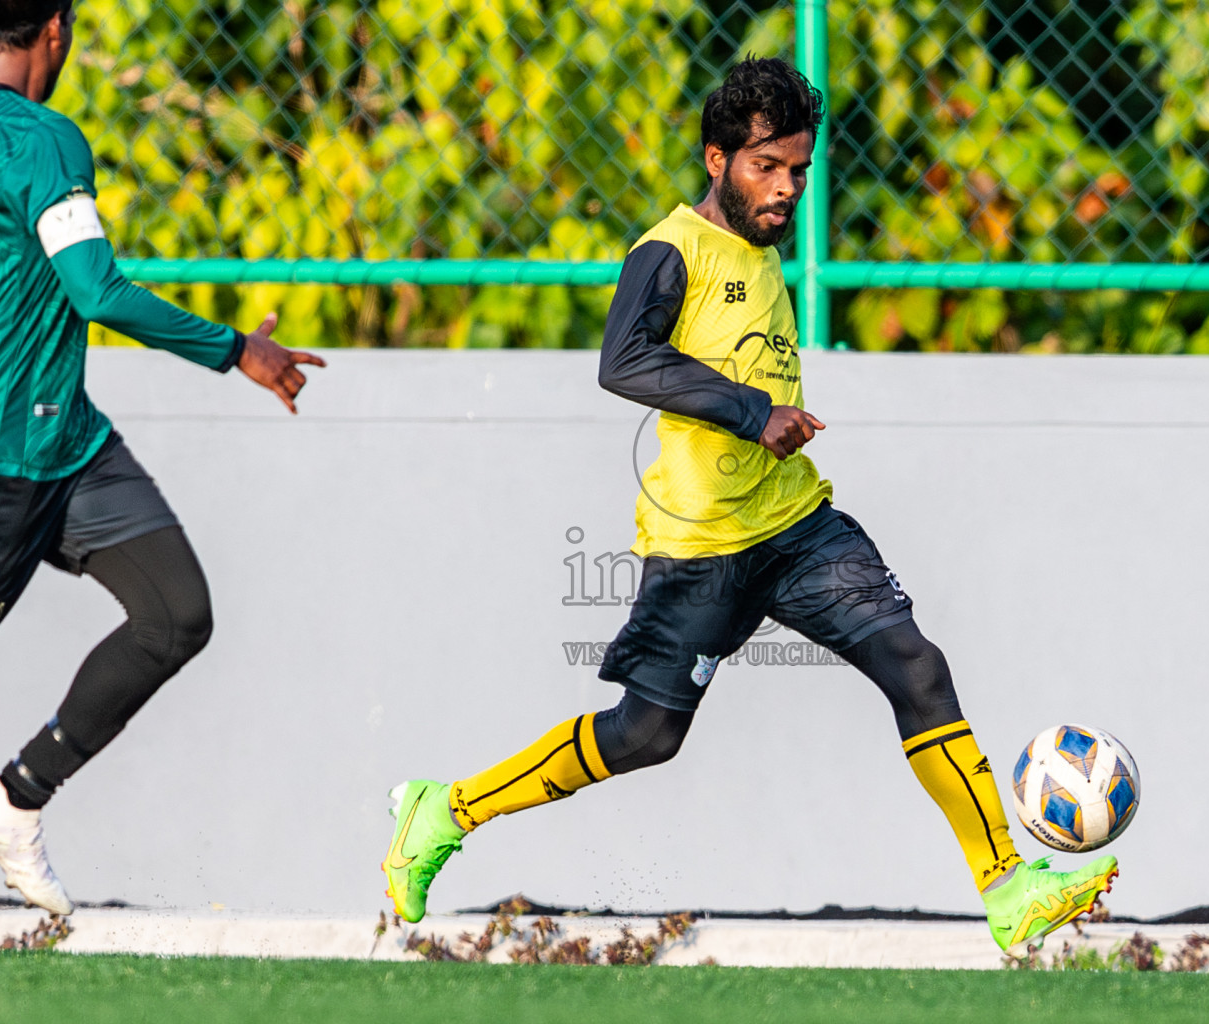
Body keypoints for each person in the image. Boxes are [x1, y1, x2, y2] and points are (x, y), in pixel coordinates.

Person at [382, 57, 1117, 953]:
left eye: (799, 170)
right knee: (646, 736)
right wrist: (751, 411)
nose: (785, 188)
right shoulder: (668, 250)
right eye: (766, 167)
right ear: (716, 158)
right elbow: (624, 362)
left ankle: (1007, 887)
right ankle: (444, 811)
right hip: (703, 548)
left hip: (799, 528)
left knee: (917, 666)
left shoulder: (765, 249)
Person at [0, 0, 324, 915]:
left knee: (175, 611)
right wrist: (239, 349)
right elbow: (97, 290)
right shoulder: (42, 139)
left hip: (65, 446)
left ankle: (13, 801)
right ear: (57, 30)